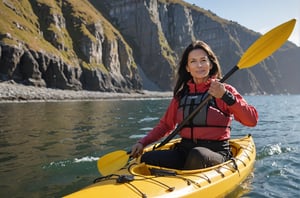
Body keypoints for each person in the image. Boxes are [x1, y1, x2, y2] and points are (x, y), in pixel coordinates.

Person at [131, 40, 258, 170]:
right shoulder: (181, 95)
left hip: (215, 153)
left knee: (197, 155)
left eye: (203, 60)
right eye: (193, 61)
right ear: (187, 68)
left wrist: (225, 96)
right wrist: (142, 142)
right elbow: (165, 125)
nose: (199, 65)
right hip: (184, 151)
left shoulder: (224, 90)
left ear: (210, 64)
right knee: (148, 158)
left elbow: (251, 120)